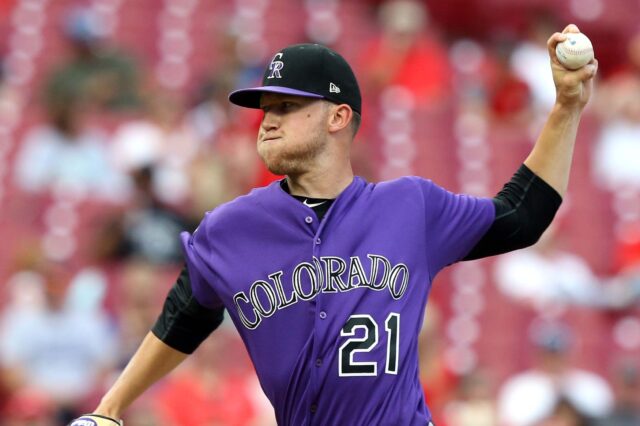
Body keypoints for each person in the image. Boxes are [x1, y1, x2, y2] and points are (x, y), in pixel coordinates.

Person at [70, 24, 598, 426]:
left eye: (287, 105)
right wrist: (111, 408)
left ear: (338, 117)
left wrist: (567, 107)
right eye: (264, 107)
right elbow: (183, 317)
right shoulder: (229, 230)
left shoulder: (409, 208)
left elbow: (521, 217)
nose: (267, 119)